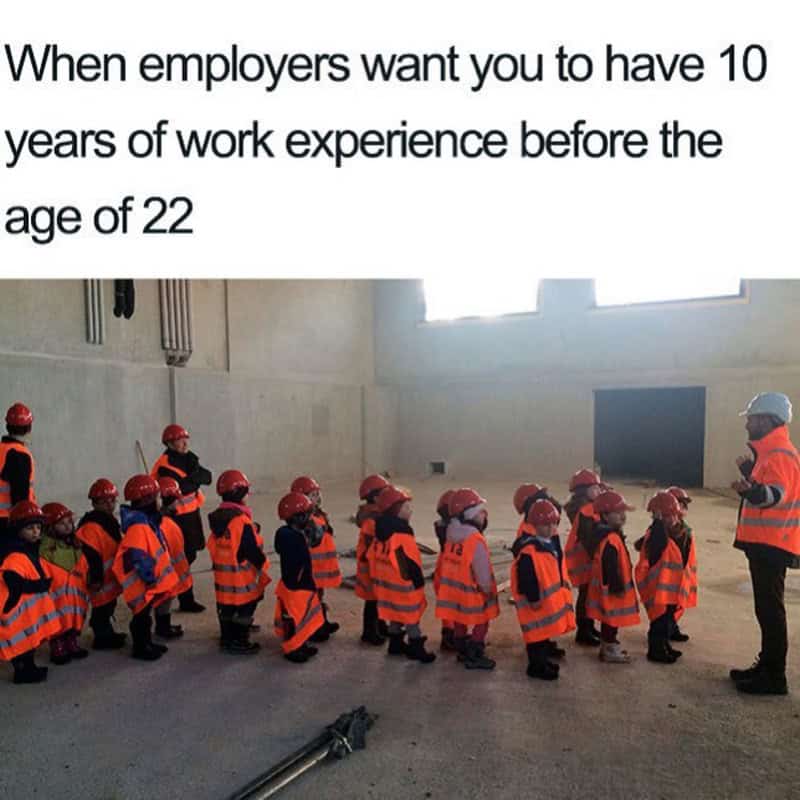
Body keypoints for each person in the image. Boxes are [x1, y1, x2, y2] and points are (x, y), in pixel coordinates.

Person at [730, 392, 800, 695]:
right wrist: (751, 479)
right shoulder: (771, 453)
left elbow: (775, 495)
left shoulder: (780, 454)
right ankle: (767, 667)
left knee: (770, 611)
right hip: (766, 543)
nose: (747, 424)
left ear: (768, 420)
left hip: (773, 544)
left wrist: (753, 492)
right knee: (766, 609)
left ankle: (774, 677)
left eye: (752, 418)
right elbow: (768, 487)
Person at [112, 475, 179, 661]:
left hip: (146, 582)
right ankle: (141, 648)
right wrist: (150, 578)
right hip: (141, 584)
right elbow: (137, 556)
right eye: (157, 497)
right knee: (141, 618)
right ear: (148, 500)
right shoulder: (139, 527)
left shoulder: (146, 521)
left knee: (145, 616)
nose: (160, 501)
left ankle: (147, 643)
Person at [370, 485, 436, 663]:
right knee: (410, 617)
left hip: (386, 585)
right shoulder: (400, 534)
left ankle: (395, 643)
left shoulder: (380, 531)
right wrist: (417, 580)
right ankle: (416, 646)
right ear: (395, 511)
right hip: (403, 586)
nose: (410, 510)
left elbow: (372, 557)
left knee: (394, 614)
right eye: (406, 507)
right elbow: (406, 563)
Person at [434, 488, 499, 670]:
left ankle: (461, 648)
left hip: (454, 593)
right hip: (473, 593)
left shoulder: (450, 535)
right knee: (482, 620)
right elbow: (482, 570)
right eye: (480, 512)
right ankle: (475, 653)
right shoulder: (475, 540)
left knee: (459, 620)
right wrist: (487, 589)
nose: (484, 516)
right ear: (470, 515)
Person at [511, 500, 575, 680]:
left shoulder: (549, 544)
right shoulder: (529, 551)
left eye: (554, 523)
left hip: (544, 605)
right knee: (536, 639)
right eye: (545, 525)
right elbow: (526, 578)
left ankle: (542, 662)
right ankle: (536, 668)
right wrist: (534, 599)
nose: (550, 528)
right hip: (535, 605)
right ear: (534, 525)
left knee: (542, 636)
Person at [207, 470, 270, 655]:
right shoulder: (241, 521)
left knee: (225, 609)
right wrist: (262, 562)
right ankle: (240, 640)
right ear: (240, 493)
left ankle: (226, 637)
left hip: (223, 581)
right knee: (245, 609)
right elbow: (250, 550)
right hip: (241, 580)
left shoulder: (219, 519)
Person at [151, 424, 212, 613]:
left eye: (186, 439)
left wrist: (191, 481)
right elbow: (180, 488)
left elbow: (207, 477)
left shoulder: (189, 458)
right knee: (180, 558)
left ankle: (184, 595)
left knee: (190, 554)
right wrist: (194, 480)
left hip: (192, 514)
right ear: (169, 443)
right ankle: (185, 598)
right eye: (179, 440)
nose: (184, 443)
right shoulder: (165, 465)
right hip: (175, 518)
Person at [0, 501, 59, 684]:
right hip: (16, 614)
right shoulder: (14, 554)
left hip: (26, 614)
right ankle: (23, 671)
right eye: (30, 528)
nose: (36, 532)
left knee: (28, 645)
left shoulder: (28, 549)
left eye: (38, 527)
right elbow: (15, 582)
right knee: (22, 647)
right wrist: (39, 586)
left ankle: (28, 667)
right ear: (18, 530)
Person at [584, 490, 640, 663]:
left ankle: (608, 645)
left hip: (608, 588)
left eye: (623, 512)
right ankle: (609, 649)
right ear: (605, 515)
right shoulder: (610, 539)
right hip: (613, 590)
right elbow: (610, 566)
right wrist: (617, 587)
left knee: (610, 621)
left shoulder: (607, 535)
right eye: (618, 513)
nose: (623, 516)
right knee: (611, 622)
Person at [634, 491, 687, 664]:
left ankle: (664, 646)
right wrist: (657, 521)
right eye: (666, 516)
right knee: (658, 623)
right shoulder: (657, 535)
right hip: (657, 591)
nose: (672, 519)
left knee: (666, 622)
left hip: (668, 591)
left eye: (674, 515)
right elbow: (659, 540)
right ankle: (656, 650)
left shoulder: (672, 533)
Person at [75, 479, 127, 650]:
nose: (109, 504)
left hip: (109, 576)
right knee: (101, 609)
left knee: (108, 606)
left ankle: (107, 634)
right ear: (94, 503)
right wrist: (96, 579)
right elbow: (90, 555)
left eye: (112, 500)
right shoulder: (90, 526)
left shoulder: (108, 520)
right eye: (104, 501)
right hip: (99, 579)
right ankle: (102, 638)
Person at [273, 492, 325, 663]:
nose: (310, 518)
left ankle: (300, 644)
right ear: (299, 517)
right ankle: (292, 649)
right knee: (295, 619)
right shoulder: (294, 538)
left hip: (291, 583)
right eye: (307, 514)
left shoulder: (284, 534)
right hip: (297, 586)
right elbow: (314, 539)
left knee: (301, 618)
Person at [290, 476, 341, 641]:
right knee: (311, 598)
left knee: (319, 596)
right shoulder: (304, 520)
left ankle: (321, 622)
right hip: (312, 568)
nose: (316, 498)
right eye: (312, 495)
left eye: (316, 494)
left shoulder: (317, 514)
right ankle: (313, 628)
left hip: (320, 568)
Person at [40, 502, 91, 664]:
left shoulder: (76, 545)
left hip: (75, 593)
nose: (68, 526)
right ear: (49, 527)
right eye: (62, 523)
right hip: (57, 595)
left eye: (69, 522)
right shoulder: (44, 551)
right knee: (57, 619)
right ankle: (58, 645)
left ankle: (72, 641)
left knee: (75, 616)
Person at [563, 469, 604, 646]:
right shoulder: (586, 510)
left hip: (585, 557)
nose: (599, 492)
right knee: (586, 595)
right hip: (585, 558)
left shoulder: (585, 507)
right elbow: (590, 537)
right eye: (595, 488)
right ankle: (583, 631)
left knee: (587, 594)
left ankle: (588, 626)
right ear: (584, 490)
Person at [154, 477, 194, 641]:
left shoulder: (165, 521)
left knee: (166, 600)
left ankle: (164, 625)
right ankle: (163, 628)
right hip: (166, 575)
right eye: (175, 501)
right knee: (164, 601)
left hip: (169, 574)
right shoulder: (162, 524)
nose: (178, 504)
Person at [354, 474, 390, 646]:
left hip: (373, 565)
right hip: (370, 567)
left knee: (377, 599)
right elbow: (371, 546)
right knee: (372, 602)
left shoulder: (374, 515)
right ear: (376, 497)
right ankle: (369, 632)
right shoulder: (371, 520)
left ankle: (380, 625)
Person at [0, 403, 37, 548]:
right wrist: (25, 523)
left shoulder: (3, 450)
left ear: (7, 426)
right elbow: (20, 494)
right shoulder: (19, 454)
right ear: (29, 428)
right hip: (10, 521)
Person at [666, 486, 698, 642]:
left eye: (685, 505)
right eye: (681, 504)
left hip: (681, 575)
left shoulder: (683, 528)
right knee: (666, 607)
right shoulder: (665, 529)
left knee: (676, 604)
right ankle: (662, 635)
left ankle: (672, 627)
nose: (684, 508)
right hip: (668, 578)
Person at [432, 489, 456, 652]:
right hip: (449, 571)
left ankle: (451, 634)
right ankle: (449, 637)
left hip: (443, 568)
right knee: (451, 605)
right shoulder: (455, 532)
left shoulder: (443, 527)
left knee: (449, 605)